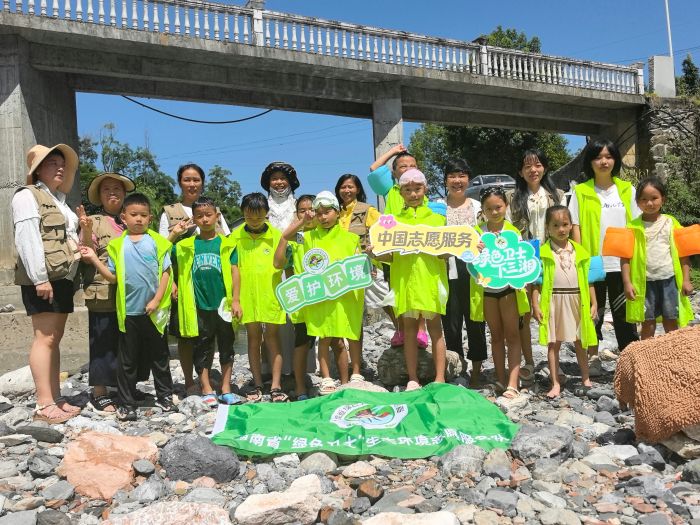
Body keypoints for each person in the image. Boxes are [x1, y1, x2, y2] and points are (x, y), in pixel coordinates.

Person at [80, 193, 176, 421]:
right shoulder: (117, 245)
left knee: (159, 357)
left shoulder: (158, 242)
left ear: (150, 218)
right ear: (124, 217)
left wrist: (156, 300)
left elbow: (166, 273)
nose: (139, 219)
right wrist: (94, 258)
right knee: (127, 360)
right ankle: (126, 403)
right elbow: (112, 277)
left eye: (143, 215)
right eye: (134, 215)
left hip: (155, 313)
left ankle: (165, 396)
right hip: (128, 312)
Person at [12, 144, 82, 424]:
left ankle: (56, 397)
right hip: (43, 278)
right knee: (44, 337)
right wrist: (39, 277)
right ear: (38, 169)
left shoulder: (60, 200)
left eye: (62, 163)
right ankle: (44, 404)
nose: (60, 167)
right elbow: (27, 237)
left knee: (55, 338)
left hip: (62, 277)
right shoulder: (27, 196)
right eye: (52, 163)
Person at [275, 191, 364, 396]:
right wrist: (302, 222)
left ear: (337, 212)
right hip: (309, 298)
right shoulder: (302, 238)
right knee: (312, 341)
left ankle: (346, 381)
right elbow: (282, 248)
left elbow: (358, 267)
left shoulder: (350, 238)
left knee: (338, 340)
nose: (321, 217)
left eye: (326, 212)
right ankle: (313, 383)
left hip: (338, 297)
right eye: (317, 213)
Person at [367, 169, 447, 391]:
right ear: (400, 192)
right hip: (405, 282)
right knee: (409, 331)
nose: (413, 194)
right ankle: (413, 378)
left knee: (436, 329)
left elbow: (446, 252)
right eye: (408, 190)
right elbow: (390, 257)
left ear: (425, 189)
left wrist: (468, 247)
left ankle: (440, 377)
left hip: (430, 281)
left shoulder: (437, 220)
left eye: (417, 189)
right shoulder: (392, 223)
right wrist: (374, 253)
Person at [569, 139, 640, 374]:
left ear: (616, 160)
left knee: (623, 312)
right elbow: (575, 226)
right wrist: (581, 259)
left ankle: (629, 360)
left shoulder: (627, 190)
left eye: (609, 156)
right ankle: (593, 357)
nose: (604, 161)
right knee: (593, 312)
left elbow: (636, 225)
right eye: (598, 157)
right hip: (594, 263)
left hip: (622, 263)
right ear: (590, 162)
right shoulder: (580, 191)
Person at [159, 163, 230, 397]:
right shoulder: (169, 212)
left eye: (196, 179)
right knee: (185, 333)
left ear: (202, 182)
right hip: (183, 283)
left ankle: (207, 378)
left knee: (211, 332)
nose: (192, 184)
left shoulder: (215, 211)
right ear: (180, 182)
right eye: (187, 179)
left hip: (212, 286)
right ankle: (190, 381)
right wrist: (172, 282)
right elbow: (162, 250)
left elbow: (228, 244)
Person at [172, 197, 243, 407]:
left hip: (223, 306)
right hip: (199, 306)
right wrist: (175, 233)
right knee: (202, 347)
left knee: (227, 346)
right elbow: (162, 253)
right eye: (199, 216)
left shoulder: (228, 244)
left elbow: (235, 272)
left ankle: (226, 388)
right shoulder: (185, 245)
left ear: (217, 216)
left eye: (208, 215)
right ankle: (206, 388)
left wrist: (236, 300)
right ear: (193, 219)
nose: (204, 219)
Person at [506, 149, 566, 383]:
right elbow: (508, 231)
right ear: (520, 171)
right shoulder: (511, 197)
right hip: (522, 261)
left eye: (538, 165)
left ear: (545, 168)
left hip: (551, 258)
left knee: (551, 310)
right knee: (525, 313)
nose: (533, 170)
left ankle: (554, 364)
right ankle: (529, 362)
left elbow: (565, 226)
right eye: (527, 166)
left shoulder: (557, 195)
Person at [79, 172, 135, 414]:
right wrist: (86, 230)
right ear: (99, 196)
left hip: (130, 294)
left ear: (124, 193)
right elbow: (85, 253)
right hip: (102, 291)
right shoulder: (93, 221)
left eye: (117, 188)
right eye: (106, 189)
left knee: (127, 342)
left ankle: (123, 389)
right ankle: (100, 391)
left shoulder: (131, 219)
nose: (112, 192)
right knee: (102, 340)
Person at [470, 187, 530, 400]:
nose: (494, 212)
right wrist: (474, 249)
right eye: (489, 209)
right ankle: (501, 378)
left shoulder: (513, 232)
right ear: (482, 210)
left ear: (506, 206)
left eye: (498, 207)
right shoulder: (476, 232)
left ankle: (513, 383)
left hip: (509, 290)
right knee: (495, 336)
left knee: (512, 335)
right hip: (485, 291)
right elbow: (468, 259)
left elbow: (522, 260)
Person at [532, 205, 597, 398]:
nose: (561, 229)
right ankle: (555, 383)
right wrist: (535, 304)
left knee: (580, 341)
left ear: (570, 226)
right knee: (553, 343)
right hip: (553, 300)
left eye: (565, 224)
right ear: (547, 227)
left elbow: (589, 280)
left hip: (577, 299)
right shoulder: (542, 253)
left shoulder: (581, 251)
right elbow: (536, 282)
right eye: (555, 225)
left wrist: (594, 303)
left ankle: (586, 378)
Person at [368, 145, 429, 349]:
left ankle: (421, 329)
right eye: (403, 166)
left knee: (418, 290)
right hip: (393, 251)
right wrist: (394, 151)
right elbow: (374, 169)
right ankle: (401, 329)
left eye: (413, 165)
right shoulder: (391, 189)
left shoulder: (422, 193)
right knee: (396, 292)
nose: (408, 168)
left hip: (417, 250)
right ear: (394, 173)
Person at [230, 193, 287, 402]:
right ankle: (257, 383)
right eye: (249, 216)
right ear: (243, 214)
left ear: (267, 214)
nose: (254, 220)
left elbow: (285, 263)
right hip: (246, 296)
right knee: (253, 339)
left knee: (272, 338)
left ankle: (276, 385)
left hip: (271, 294)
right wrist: (235, 299)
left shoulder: (276, 236)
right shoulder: (235, 237)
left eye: (259, 216)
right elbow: (233, 267)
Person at [435, 159, 487, 387]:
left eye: (462, 175)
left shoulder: (478, 207)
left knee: (476, 321)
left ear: (469, 179)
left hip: (475, 272)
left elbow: (488, 235)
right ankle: (457, 369)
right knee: (451, 322)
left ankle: (476, 370)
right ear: (445, 180)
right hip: (447, 270)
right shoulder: (437, 208)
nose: (457, 181)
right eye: (452, 176)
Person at [621, 177, 694, 339]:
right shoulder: (632, 227)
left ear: (663, 199)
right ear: (637, 202)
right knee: (648, 322)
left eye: (654, 198)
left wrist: (686, 280)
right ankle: (647, 353)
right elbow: (625, 257)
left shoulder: (671, 223)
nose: (649, 203)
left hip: (669, 280)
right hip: (644, 283)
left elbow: (684, 253)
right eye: (644, 199)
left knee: (671, 320)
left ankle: (673, 350)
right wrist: (627, 283)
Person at [335, 174, 397, 332]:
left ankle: (402, 331)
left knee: (387, 301)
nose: (346, 190)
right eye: (343, 187)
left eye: (350, 187)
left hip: (367, 266)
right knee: (349, 306)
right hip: (343, 267)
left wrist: (375, 249)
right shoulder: (335, 212)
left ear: (358, 190)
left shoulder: (367, 210)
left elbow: (386, 228)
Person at [275, 195, 317, 400]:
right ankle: (300, 386)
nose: (308, 214)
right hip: (304, 299)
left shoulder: (326, 234)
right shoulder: (295, 239)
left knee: (332, 339)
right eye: (302, 210)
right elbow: (281, 264)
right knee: (302, 340)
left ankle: (335, 382)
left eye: (312, 209)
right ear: (296, 214)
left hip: (325, 297)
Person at [261, 161, 300, 232]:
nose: (279, 182)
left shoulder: (299, 205)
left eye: (283, 178)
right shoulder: (262, 206)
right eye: (274, 179)